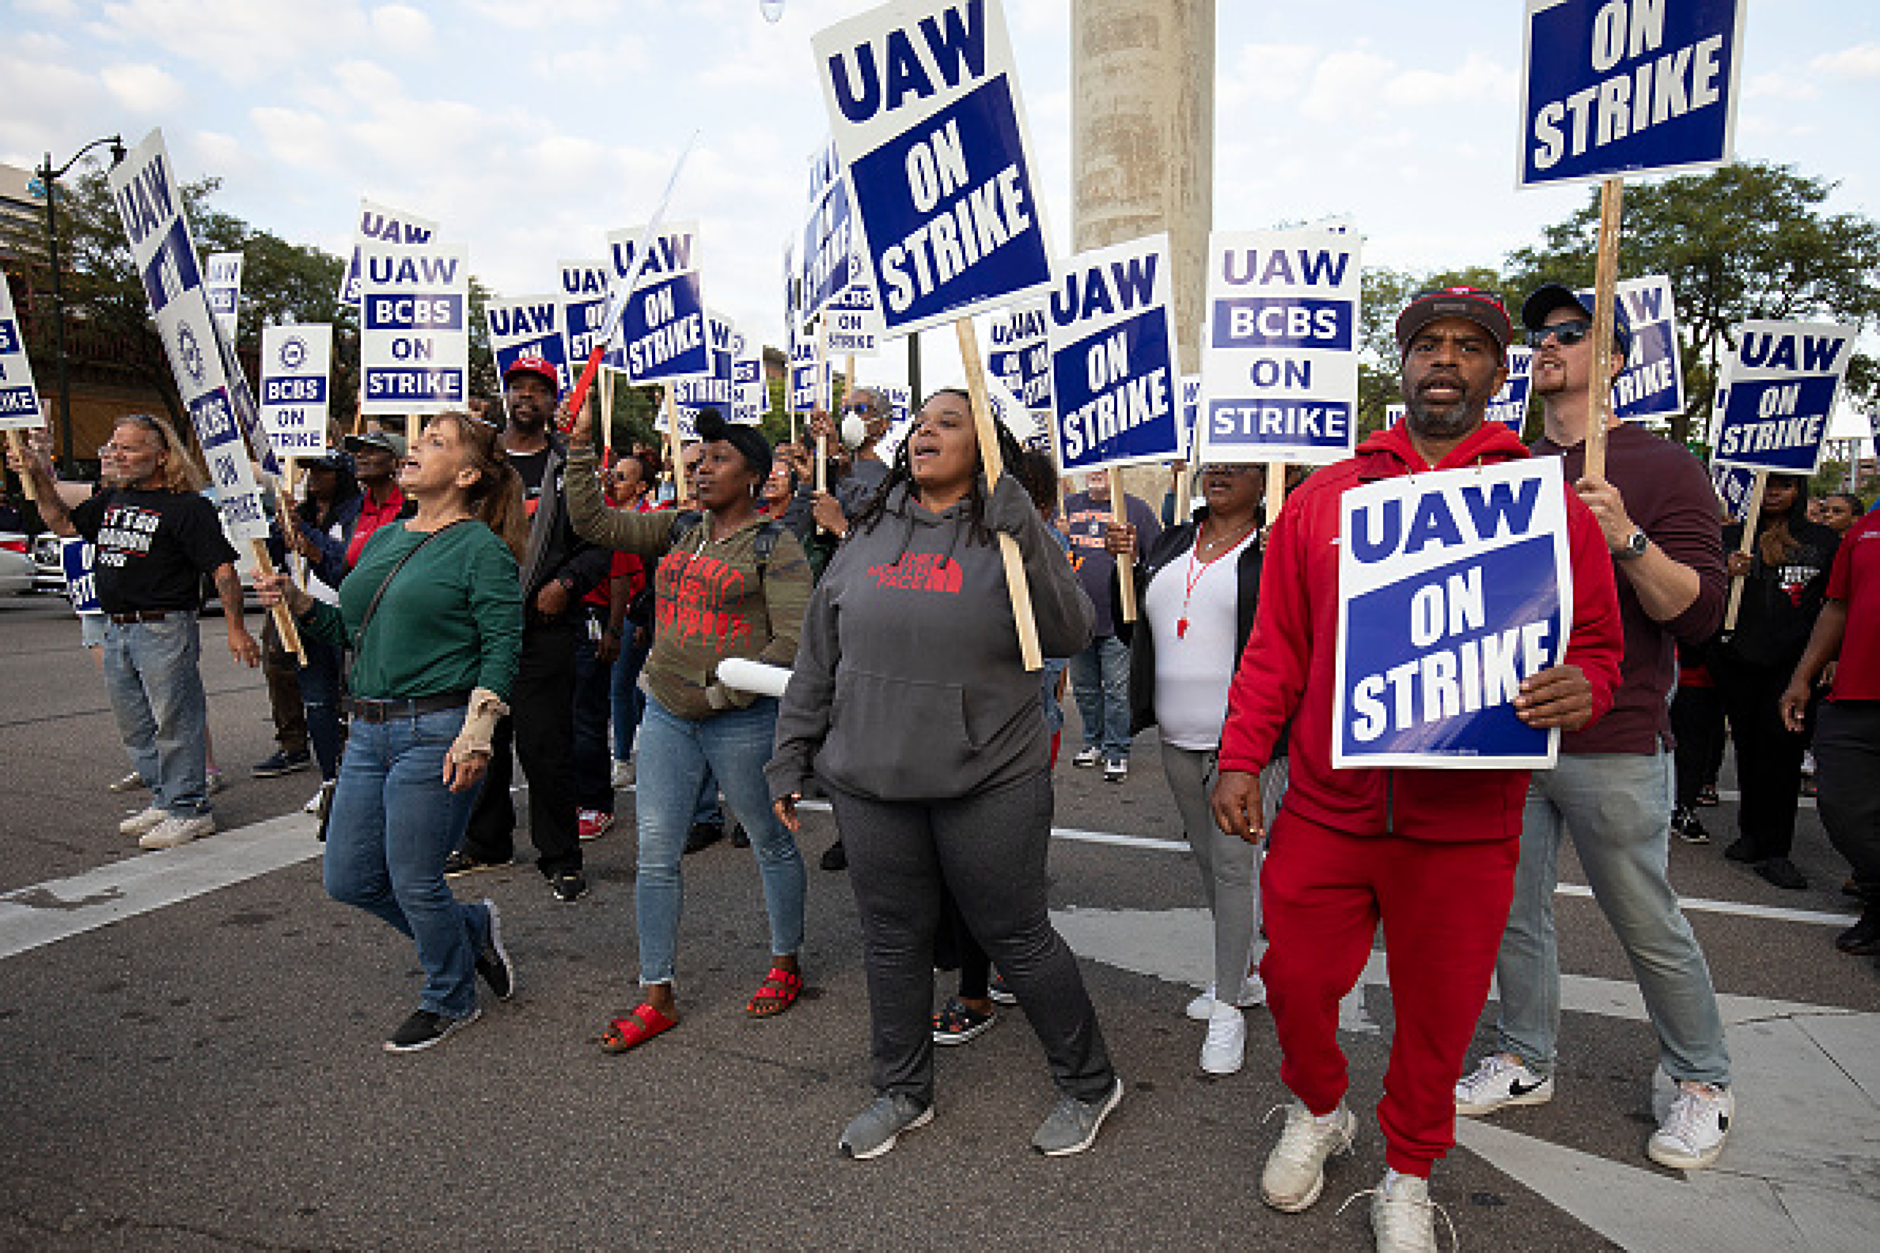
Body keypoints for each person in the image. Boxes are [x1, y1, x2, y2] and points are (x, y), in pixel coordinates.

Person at [1209, 288, 1622, 1250]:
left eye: (1469, 346)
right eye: (1428, 342)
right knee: (1296, 978)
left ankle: (1409, 1167)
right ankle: (1319, 1109)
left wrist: (1586, 688)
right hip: (1326, 805)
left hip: (1466, 821)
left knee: (1438, 1016)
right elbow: (1276, 648)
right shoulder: (1327, 496)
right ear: (1403, 365)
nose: (1445, 357)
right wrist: (1241, 757)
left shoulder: (1543, 501)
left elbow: (1599, 645)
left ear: (1495, 371)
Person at [769, 387, 1124, 1161]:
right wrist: (790, 751)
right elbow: (819, 653)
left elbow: (1069, 630)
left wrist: (1025, 528)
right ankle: (902, 1089)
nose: (927, 430)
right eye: (921, 421)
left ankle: (1090, 1081)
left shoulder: (1007, 530)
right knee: (891, 939)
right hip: (870, 780)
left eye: (949, 421)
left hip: (989, 777)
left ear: (985, 448)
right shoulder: (872, 525)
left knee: (1016, 936)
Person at [1456, 284, 1738, 1175]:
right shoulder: (1504, 462)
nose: (1548, 345)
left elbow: (1701, 615)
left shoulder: (1663, 468)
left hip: (1613, 737)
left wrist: (1625, 536)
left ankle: (1701, 1080)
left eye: (1572, 334)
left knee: (1642, 914)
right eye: (1540, 335)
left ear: (1613, 360)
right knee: (1512, 910)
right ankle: (1527, 1054)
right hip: (1514, 731)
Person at [258, 410, 526, 1052]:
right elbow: (351, 630)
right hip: (369, 731)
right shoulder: (383, 541)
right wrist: (297, 606)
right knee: (348, 878)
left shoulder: (481, 548)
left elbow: (503, 645)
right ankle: (469, 931)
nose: (413, 449)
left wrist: (478, 732)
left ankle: (451, 997)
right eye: (418, 438)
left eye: (434, 443)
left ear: (465, 474)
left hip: (436, 730)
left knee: (413, 877)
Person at [564, 403, 811, 1052]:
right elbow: (591, 518)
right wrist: (582, 447)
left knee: (769, 840)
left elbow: (795, 638)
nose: (702, 469)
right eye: (699, 460)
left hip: (741, 721)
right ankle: (657, 993)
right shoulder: (679, 528)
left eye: (719, 459)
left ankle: (785, 960)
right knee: (655, 853)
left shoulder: (773, 545)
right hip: (667, 715)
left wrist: (724, 689)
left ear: (754, 475)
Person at [10, 415, 262, 849]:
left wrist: (236, 628)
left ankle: (190, 809)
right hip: (117, 628)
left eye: (128, 448)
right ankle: (164, 799)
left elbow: (221, 568)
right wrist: (37, 475)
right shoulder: (113, 499)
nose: (116, 455)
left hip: (164, 628)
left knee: (175, 721)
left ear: (162, 456)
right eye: (113, 446)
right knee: (136, 725)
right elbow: (64, 524)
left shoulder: (188, 507)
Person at [1107, 461, 1279, 1076]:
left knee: (1235, 869)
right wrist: (1125, 568)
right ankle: (1247, 973)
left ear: (1268, 477)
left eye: (1240, 464)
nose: (1221, 472)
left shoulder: (1274, 545)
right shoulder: (1175, 539)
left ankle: (1228, 1004)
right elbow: (1133, 629)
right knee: (1210, 863)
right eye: (1214, 462)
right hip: (1177, 737)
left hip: (1245, 746)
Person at [448, 355, 610, 902]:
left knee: (546, 749)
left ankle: (560, 855)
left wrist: (565, 583)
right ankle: (486, 840)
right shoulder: (481, 467)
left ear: (551, 401)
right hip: (479, 628)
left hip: (544, 632)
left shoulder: (569, 467)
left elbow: (597, 544)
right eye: (516, 387)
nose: (525, 397)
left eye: (537, 390)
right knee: (480, 736)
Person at [1709, 472, 1838, 888]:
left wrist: (1827, 658)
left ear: (1800, 491)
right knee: (1748, 748)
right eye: (1768, 485)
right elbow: (1698, 590)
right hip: (1739, 659)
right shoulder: (1730, 538)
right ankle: (1751, 834)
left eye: (1785, 485)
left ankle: (1777, 850)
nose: (1776, 493)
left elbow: (1836, 603)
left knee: (1783, 752)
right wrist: (1726, 572)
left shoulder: (1822, 541)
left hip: (1795, 665)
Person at [1781, 494, 1880, 954]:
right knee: (1842, 808)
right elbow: (1836, 607)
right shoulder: (1865, 529)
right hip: (1855, 696)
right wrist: (1802, 676)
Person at [1061, 470, 1160, 781]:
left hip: (1117, 619)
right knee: (1086, 689)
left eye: (1105, 468)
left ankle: (1117, 749)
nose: (1097, 473)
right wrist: (1059, 534)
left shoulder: (1137, 510)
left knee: (1117, 690)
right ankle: (1094, 742)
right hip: (1076, 618)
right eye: (1094, 467)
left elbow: (1156, 558)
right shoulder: (1066, 507)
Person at [284, 449, 364, 814]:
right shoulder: (300, 513)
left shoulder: (357, 513)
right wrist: (281, 524)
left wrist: (311, 540)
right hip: (307, 617)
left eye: (324, 472)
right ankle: (330, 777)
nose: (314, 479)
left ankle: (353, 778)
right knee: (316, 701)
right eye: (309, 472)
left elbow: (347, 562)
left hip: (345, 617)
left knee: (349, 700)